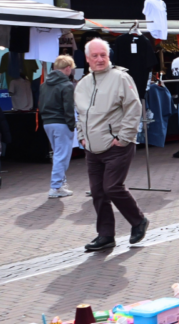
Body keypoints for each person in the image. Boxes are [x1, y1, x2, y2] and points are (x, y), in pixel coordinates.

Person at [75, 37, 148, 253]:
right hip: (92, 147)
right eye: (95, 56)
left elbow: (133, 108)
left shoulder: (120, 78)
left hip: (116, 145)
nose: (100, 59)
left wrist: (123, 138)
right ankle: (106, 235)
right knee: (98, 192)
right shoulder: (83, 84)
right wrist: (82, 136)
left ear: (109, 56)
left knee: (112, 187)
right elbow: (81, 115)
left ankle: (138, 221)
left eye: (103, 55)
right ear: (87, 58)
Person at [39, 55, 77, 198]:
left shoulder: (44, 84)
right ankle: (56, 186)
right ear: (67, 68)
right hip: (61, 122)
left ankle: (60, 184)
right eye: (71, 69)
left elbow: (41, 104)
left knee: (58, 154)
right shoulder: (67, 85)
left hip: (48, 122)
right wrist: (72, 124)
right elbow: (68, 107)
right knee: (62, 155)